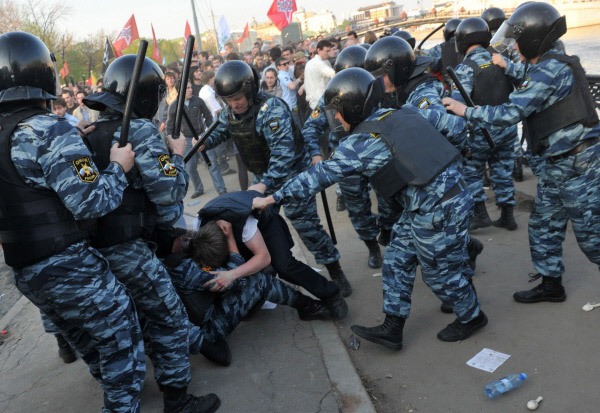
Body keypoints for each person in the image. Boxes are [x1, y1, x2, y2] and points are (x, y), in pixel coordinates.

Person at [253, 68, 487, 349]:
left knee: (439, 273)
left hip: (439, 208)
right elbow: (456, 128)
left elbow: (317, 177)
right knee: (398, 258)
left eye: (335, 113)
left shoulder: (358, 144)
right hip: (432, 203)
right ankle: (393, 327)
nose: (334, 119)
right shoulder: (402, 112)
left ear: (350, 109)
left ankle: (472, 316)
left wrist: (272, 198)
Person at [0, 31, 145, 412]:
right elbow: (94, 202)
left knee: (87, 341)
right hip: (69, 267)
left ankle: (118, 391)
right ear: (44, 76)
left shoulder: (13, 134)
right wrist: (118, 167)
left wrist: (69, 146)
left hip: (26, 272)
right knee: (123, 340)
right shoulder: (51, 130)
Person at [83, 55, 221, 413]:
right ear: (147, 96)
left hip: (95, 253)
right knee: (170, 319)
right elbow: (169, 193)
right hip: (131, 248)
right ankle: (177, 400)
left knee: (136, 321)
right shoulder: (141, 131)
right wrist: (176, 156)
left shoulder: (89, 133)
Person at [443, 2, 600, 304]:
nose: (513, 45)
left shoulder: (550, 69)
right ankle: (552, 285)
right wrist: (506, 66)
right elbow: (528, 75)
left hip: (578, 166)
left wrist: (466, 111)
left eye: (517, 39)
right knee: (543, 227)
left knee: (593, 239)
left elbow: (511, 111)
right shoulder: (548, 64)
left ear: (533, 38)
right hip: (559, 165)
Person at [200, 61, 352, 296]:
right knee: (257, 226)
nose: (233, 104)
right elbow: (221, 130)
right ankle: (272, 268)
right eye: (228, 100)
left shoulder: (271, 109)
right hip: (263, 175)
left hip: (291, 174)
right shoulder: (232, 110)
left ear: (249, 90)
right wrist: (204, 142)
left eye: (238, 98)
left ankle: (334, 268)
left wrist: (263, 185)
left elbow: (283, 156)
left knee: (306, 225)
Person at [302, 45, 388, 269]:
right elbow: (311, 127)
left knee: (391, 203)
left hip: (379, 155)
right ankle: (372, 246)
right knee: (357, 209)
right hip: (346, 158)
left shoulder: (379, 90)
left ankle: (392, 236)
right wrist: (314, 154)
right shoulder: (330, 96)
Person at [197, 191, 347, 319]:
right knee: (243, 270)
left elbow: (263, 257)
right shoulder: (201, 230)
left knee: (284, 265)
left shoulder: (242, 222)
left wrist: (232, 274)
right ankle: (255, 302)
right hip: (233, 231)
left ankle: (330, 293)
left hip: (264, 221)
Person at [452, 17, 518, 231]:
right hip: (507, 128)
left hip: (481, 131)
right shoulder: (501, 58)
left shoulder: (465, 67)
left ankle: (480, 214)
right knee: (503, 169)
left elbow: (457, 106)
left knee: (471, 171)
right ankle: (508, 216)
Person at [167, 81, 227, 198]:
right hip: (187, 141)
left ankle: (221, 189)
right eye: (187, 87)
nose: (191, 90)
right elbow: (170, 127)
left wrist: (209, 134)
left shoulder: (198, 101)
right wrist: (173, 142)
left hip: (202, 137)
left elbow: (208, 117)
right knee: (190, 167)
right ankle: (198, 189)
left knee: (212, 164)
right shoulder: (174, 106)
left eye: (190, 87)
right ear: (180, 90)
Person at [419, 18, 462, 89]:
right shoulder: (468, 46)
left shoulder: (439, 48)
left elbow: (424, 57)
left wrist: (418, 51)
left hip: (449, 89)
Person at [304, 39, 336, 109]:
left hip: (316, 102)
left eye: (330, 50)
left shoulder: (311, 63)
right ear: (318, 50)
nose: (328, 53)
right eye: (327, 51)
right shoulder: (318, 63)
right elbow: (333, 75)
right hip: (320, 103)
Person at [276, 57, 302, 125]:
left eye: (287, 63)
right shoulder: (282, 75)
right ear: (278, 67)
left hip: (292, 104)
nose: (287, 65)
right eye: (284, 64)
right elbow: (292, 86)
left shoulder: (285, 74)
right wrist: (299, 80)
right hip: (290, 106)